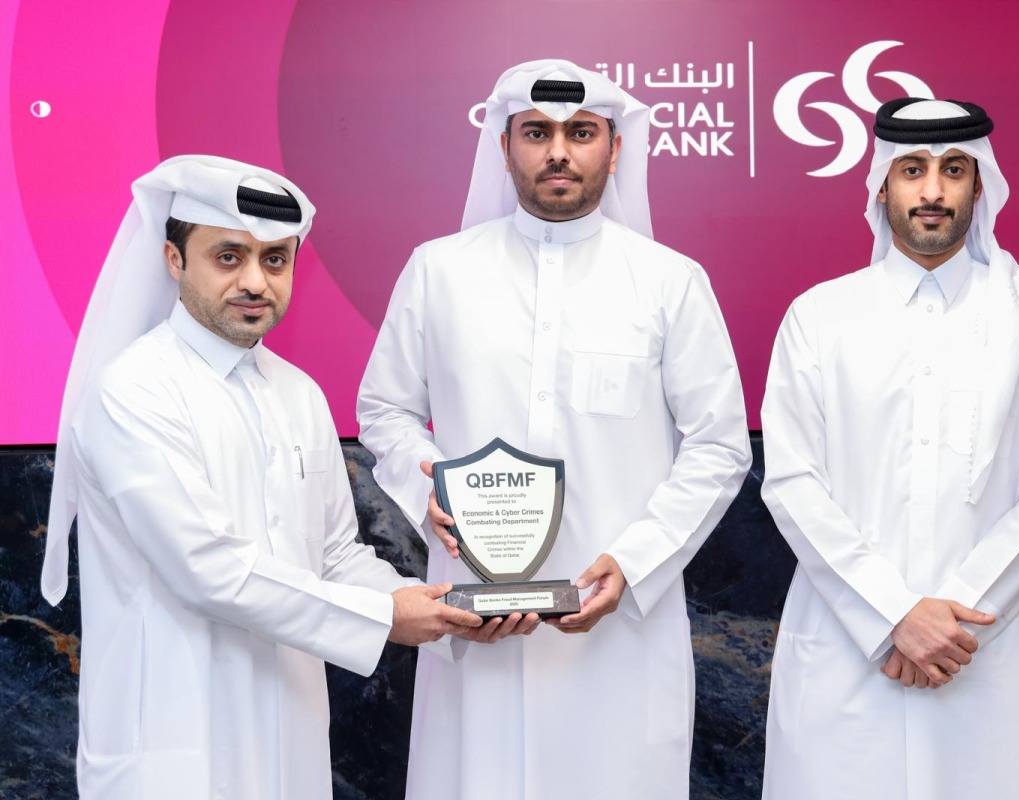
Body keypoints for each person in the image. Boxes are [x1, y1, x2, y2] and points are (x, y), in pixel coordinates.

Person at [39, 156, 530, 800]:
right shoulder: (132, 391)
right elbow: (207, 570)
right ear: (173, 259)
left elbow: (334, 556)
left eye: (275, 260)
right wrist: (387, 615)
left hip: (290, 741)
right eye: (228, 256)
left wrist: (441, 609)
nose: (254, 281)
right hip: (173, 739)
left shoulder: (300, 393)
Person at [358, 59, 751, 799]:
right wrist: (429, 489)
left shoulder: (670, 282)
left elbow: (719, 445)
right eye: (537, 133)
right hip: (474, 613)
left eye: (581, 133)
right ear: (505, 147)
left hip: (617, 632)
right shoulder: (439, 271)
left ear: (616, 147)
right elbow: (385, 410)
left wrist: (634, 562)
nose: (559, 152)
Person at [759, 98, 1019, 799]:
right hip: (849, 649)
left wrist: (952, 620)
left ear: (980, 186)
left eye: (954, 170)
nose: (934, 191)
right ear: (882, 185)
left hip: (987, 652)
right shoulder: (819, 317)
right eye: (913, 169)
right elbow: (792, 482)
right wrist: (893, 614)